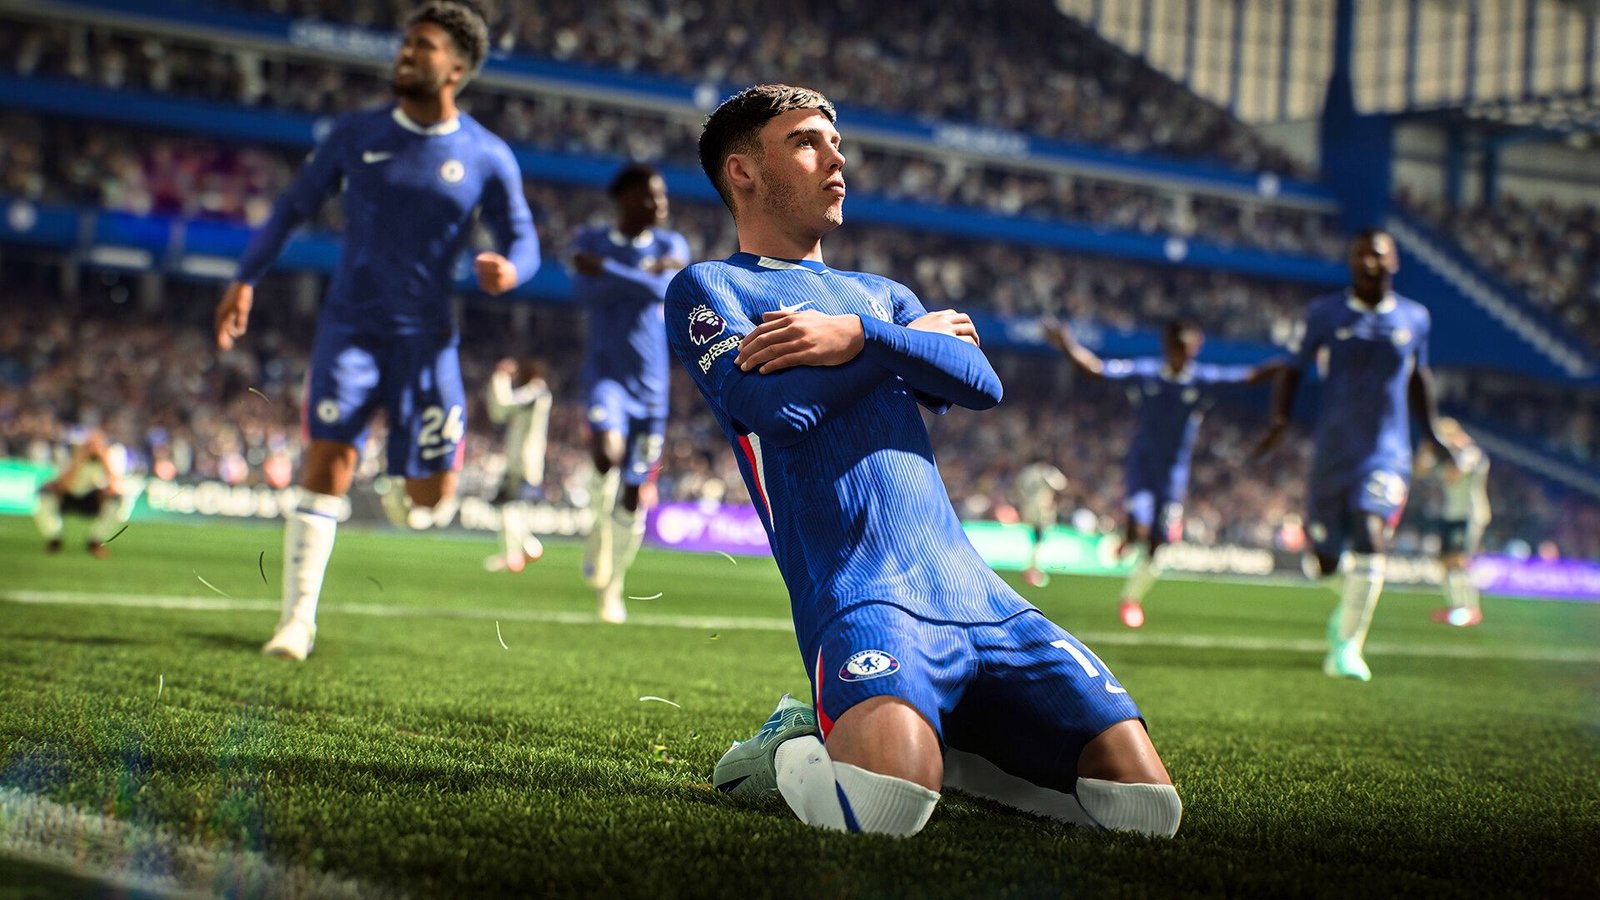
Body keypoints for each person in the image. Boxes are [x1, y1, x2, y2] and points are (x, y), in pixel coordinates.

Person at [667, 84, 1180, 839]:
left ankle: (949, 743)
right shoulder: (710, 286)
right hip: (864, 594)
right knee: (884, 810)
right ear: (742, 171)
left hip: (981, 595)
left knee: (1150, 814)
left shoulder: (880, 296)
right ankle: (788, 750)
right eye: (807, 142)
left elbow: (978, 382)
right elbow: (777, 410)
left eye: (836, 142)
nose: (835, 157)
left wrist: (860, 337)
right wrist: (904, 345)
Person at [213, 0, 540, 661]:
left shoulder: (486, 154)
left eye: (423, 46)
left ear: (456, 69)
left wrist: (512, 268)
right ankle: (296, 622)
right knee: (327, 459)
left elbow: (524, 238)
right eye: (405, 42)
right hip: (352, 328)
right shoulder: (355, 132)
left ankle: (401, 483)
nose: (406, 52)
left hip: (428, 341)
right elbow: (292, 206)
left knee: (430, 500)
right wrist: (246, 276)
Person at [1256, 228, 1454, 681]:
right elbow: (1293, 368)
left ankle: (1346, 647)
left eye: (1377, 254)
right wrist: (1280, 422)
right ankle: (1350, 607)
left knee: (1370, 531)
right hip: (1333, 454)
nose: (1368, 261)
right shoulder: (1325, 313)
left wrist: (1432, 433)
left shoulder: (1415, 317)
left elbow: (1419, 377)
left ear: (1394, 261)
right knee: (1324, 564)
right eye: (1360, 254)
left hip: (1388, 452)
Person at [1045, 318, 1282, 628]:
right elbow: (1096, 369)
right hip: (1142, 467)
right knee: (1140, 524)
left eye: (1186, 348)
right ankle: (1129, 536)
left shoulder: (1202, 378)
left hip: (1173, 475)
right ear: (1168, 346)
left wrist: (1289, 363)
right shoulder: (1146, 372)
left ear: (1195, 349)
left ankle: (1130, 598)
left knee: (1159, 543)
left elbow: (1250, 377)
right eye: (1176, 347)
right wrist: (1067, 344)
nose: (1181, 354)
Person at [573, 163, 691, 623]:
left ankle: (613, 586)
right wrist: (639, 277)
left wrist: (608, 271)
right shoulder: (591, 238)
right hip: (607, 377)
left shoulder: (669, 244)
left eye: (662, 196)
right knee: (606, 454)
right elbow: (585, 294)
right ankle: (596, 531)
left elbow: (665, 289)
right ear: (624, 198)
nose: (660, 204)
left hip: (652, 390)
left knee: (633, 490)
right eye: (650, 196)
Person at [483, 357, 553, 574]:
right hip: (520, 460)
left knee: (509, 507)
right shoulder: (534, 394)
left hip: (524, 462)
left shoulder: (536, 392)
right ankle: (521, 550)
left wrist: (501, 377)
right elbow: (500, 411)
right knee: (509, 507)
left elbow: (503, 406)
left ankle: (522, 550)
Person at [1419, 418, 1490, 626]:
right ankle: (1456, 605)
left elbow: (1454, 475)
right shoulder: (1445, 455)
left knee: (1459, 560)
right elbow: (1420, 471)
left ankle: (1470, 608)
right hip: (1451, 514)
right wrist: (1428, 452)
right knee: (1444, 561)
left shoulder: (1470, 453)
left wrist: (1442, 455)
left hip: (1468, 515)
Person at [35, 428, 131, 558]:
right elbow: (63, 485)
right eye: (90, 445)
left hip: (93, 498)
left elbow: (115, 485)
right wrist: (79, 460)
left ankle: (95, 540)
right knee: (44, 494)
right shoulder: (69, 453)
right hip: (68, 495)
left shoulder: (111, 455)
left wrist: (105, 460)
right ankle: (54, 537)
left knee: (118, 501)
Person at [1010, 459, 1068, 588]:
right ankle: (1033, 570)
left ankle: (1031, 569)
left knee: (1035, 541)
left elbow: (1018, 489)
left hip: (1029, 509)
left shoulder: (1026, 473)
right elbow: (1061, 484)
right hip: (1041, 511)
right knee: (1039, 541)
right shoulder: (1046, 472)